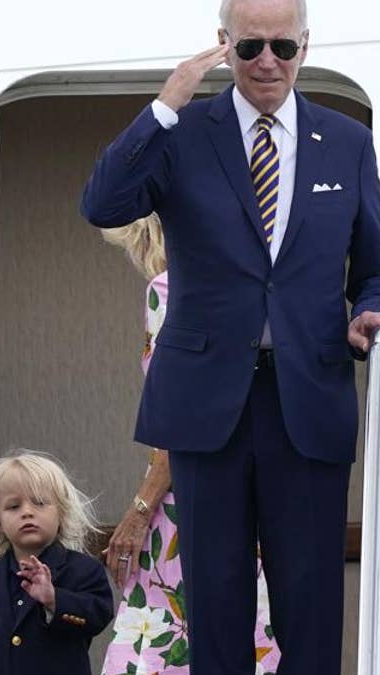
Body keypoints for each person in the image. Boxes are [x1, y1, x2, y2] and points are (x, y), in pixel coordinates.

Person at [79, 0, 380, 670]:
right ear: (223, 45)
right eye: (251, 46)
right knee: (217, 606)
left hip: (308, 398)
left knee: (310, 608)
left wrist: (373, 310)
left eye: (282, 48)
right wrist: (165, 105)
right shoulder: (184, 131)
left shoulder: (345, 141)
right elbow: (103, 203)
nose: (267, 62)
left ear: (305, 48)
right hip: (208, 405)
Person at [99, 215, 281, 674]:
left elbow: (178, 417)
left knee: (164, 640)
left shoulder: (170, 288)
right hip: (254, 490)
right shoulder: (247, 284)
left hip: (190, 501)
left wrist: (140, 511)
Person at [0, 452, 114, 675]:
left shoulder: (83, 569)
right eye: (13, 506)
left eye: (40, 503)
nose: (27, 512)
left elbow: (98, 616)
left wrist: (54, 600)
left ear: (62, 514)